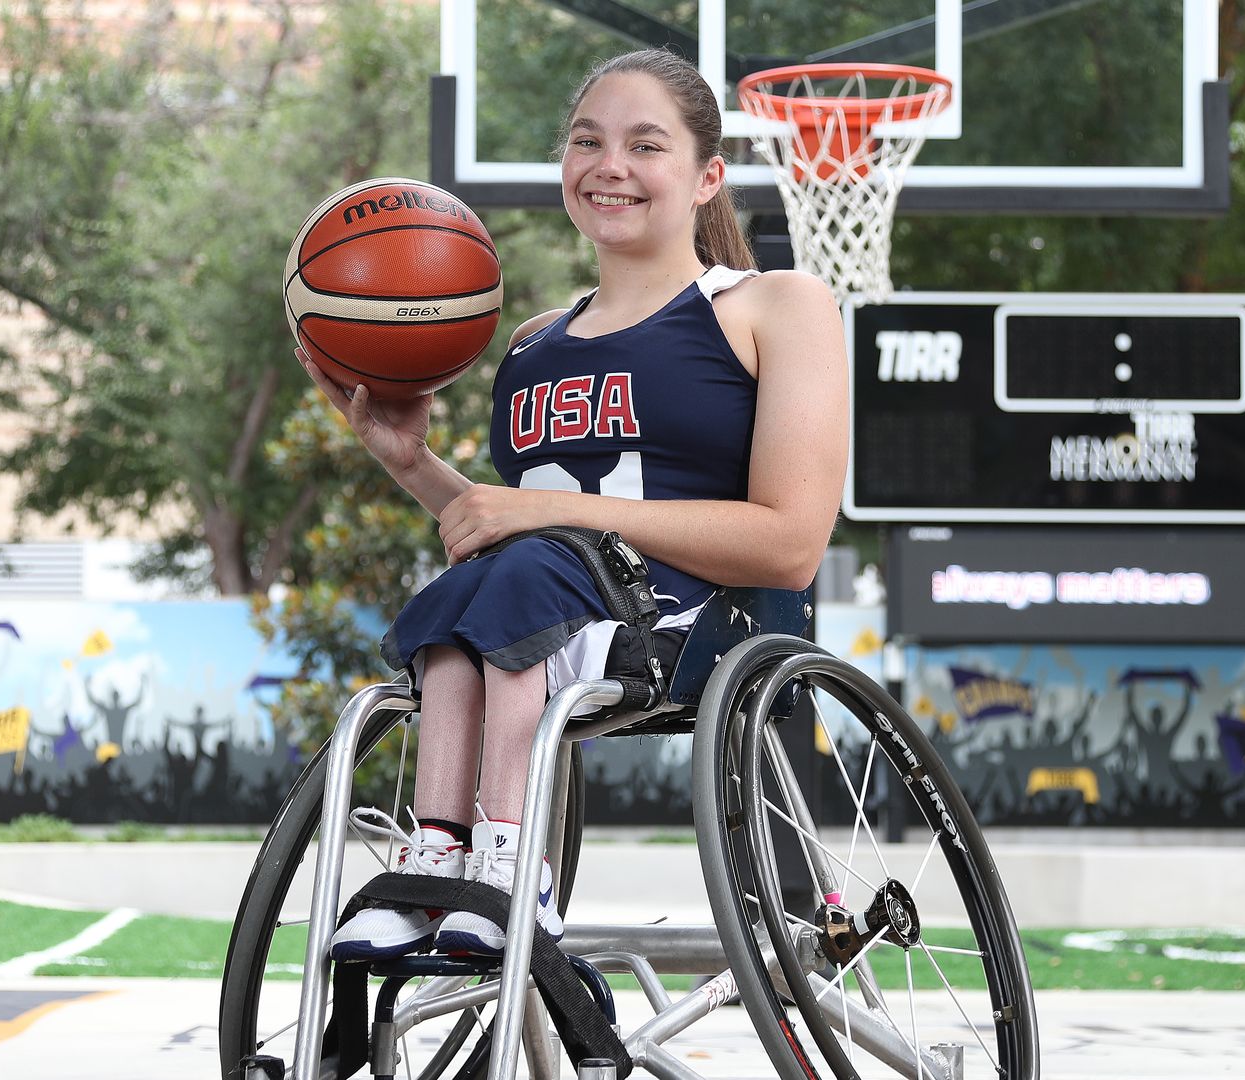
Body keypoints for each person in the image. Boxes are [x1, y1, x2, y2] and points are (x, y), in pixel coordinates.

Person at [298, 48, 847, 961]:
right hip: (552, 600)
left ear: (708, 178)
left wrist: (545, 518)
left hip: (690, 619)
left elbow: (789, 545)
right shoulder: (530, 343)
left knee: (518, 584)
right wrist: (411, 461)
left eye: (646, 145)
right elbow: (509, 522)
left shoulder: (771, 306)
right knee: (466, 602)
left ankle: (515, 864)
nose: (609, 165)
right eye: (587, 141)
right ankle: (437, 858)